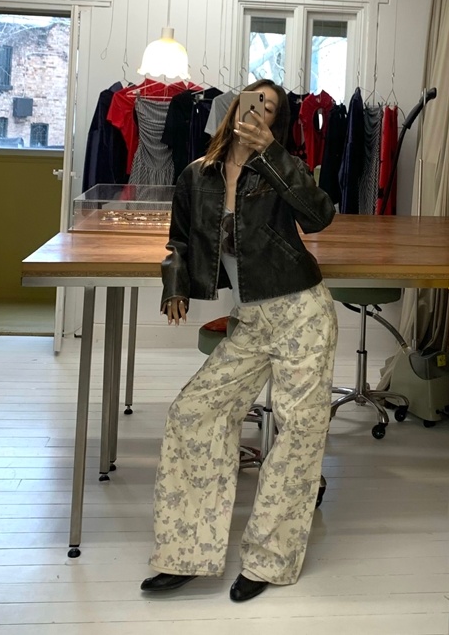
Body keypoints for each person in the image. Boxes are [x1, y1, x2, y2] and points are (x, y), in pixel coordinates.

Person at [141, 79, 338, 603]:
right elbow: (178, 241)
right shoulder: (196, 175)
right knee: (193, 413)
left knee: (298, 433)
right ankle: (187, 551)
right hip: (250, 322)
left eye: (270, 109)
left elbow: (319, 216)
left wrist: (272, 155)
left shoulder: (280, 168)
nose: (259, 111)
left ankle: (269, 559)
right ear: (233, 108)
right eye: (254, 101)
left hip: (302, 313)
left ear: (274, 124)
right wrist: (174, 284)